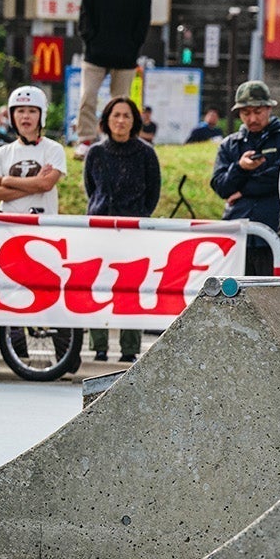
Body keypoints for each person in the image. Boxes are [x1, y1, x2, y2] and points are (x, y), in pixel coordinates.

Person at [84, 96, 162, 363]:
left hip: (133, 231)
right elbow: (91, 191)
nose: (120, 121)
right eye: (115, 115)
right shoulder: (95, 153)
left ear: (134, 121)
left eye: (126, 116)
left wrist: (137, 216)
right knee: (99, 287)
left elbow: (153, 194)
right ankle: (99, 346)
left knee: (130, 288)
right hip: (100, 230)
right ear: (106, 120)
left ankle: (130, 348)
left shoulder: (146, 153)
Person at [209, 80, 280, 276]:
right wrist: (239, 167)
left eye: (257, 112)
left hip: (276, 233)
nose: (252, 118)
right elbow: (220, 186)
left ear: (269, 108)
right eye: (246, 113)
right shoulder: (229, 144)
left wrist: (242, 189)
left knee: (274, 299)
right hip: (237, 236)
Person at [75, 0, 153, 149]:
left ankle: (117, 140)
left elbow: (143, 19)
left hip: (125, 56)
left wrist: (134, 45)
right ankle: (86, 139)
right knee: (87, 98)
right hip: (95, 54)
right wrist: (90, 39)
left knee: (121, 103)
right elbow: (85, 15)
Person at [0, 85, 67, 215]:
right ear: (12, 116)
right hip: (9, 227)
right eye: (20, 111)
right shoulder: (1, 152)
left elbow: (46, 185)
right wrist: (35, 185)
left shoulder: (54, 149)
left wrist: (8, 181)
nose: (25, 116)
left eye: (32, 111)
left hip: (43, 225)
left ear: (42, 115)